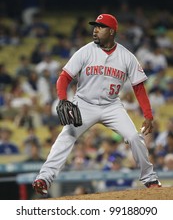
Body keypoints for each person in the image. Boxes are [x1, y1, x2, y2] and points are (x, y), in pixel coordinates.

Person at [33, 13, 161, 195]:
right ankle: (44, 178)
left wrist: (148, 115)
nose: (95, 30)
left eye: (100, 27)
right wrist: (63, 99)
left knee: (134, 137)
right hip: (84, 104)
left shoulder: (127, 57)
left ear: (111, 31)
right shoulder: (85, 51)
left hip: (111, 106)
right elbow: (64, 78)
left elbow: (139, 88)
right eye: (95, 26)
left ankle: (150, 179)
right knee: (66, 136)